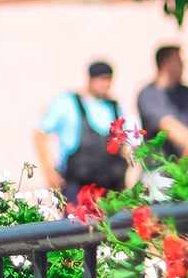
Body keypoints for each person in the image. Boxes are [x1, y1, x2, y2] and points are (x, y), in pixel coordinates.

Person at [34, 59, 127, 197]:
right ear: (91, 79)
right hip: (77, 186)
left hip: (110, 187)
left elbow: (122, 144)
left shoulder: (113, 107)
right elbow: (40, 135)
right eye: (102, 79)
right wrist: (49, 172)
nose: (105, 84)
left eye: (108, 80)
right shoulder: (67, 102)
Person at [137, 43, 188, 160]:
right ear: (166, 64)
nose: (183, 66)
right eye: (179, 62)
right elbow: (168, 125)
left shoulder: (187, 92)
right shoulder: (148, 95)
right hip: (162, 165)